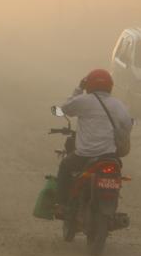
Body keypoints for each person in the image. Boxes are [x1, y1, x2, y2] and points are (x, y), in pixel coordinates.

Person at [55, 69, 133, 215]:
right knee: (116, 175)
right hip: (110, 156)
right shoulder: (118, 105)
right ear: (110, 86)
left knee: (65, 166)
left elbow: (65, 109)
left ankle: (62, 205)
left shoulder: (83, 101)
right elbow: (127, 126)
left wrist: (79, 89)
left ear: (88, 84)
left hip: (84, 155)